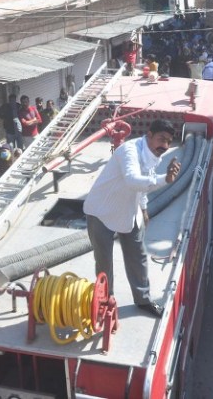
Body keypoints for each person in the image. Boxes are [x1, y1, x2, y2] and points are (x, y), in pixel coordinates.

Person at [83, 119, 181, 317]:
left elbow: (144, 180)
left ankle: (143, 300)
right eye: (161, 139)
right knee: (104, 262)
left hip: (130, 211)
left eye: (169, 142)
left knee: (138, 256)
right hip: (102, 211)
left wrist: (143, 209)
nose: (165, 146)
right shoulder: (129, 151)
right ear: (149, 135)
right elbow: (133, 180)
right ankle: (105, 301)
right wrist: (165, 179)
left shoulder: (151, 153)